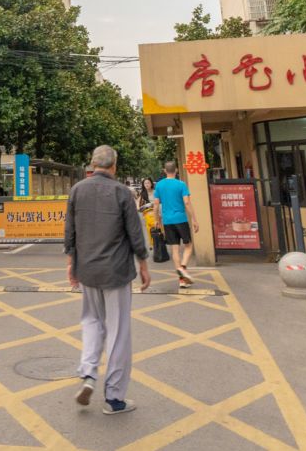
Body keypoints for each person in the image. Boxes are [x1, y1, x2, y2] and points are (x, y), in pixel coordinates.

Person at [64, 144, 151, 415]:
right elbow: (135, 233)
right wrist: (143, 264)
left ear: (93, 165)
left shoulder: (77, 190)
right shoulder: (122, 192)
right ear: (114, 166)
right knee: (118, 331)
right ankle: (114, 398)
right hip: (116, 271)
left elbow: (70, 230)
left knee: (91, 322)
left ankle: (88, 374)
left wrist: (71, 263)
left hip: (87, 271)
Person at [154, 160, 199, 288]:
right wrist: (194, 219)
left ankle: (182, 280)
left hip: (168, 221)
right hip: (181, 220)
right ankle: (182, 268)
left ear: (164, 171)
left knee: (175, 249)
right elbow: (187, 202)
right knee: (188, 246)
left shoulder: (159, 185)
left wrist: (157, 220)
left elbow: (156, 205)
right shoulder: (181, 184)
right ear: (177, 170)